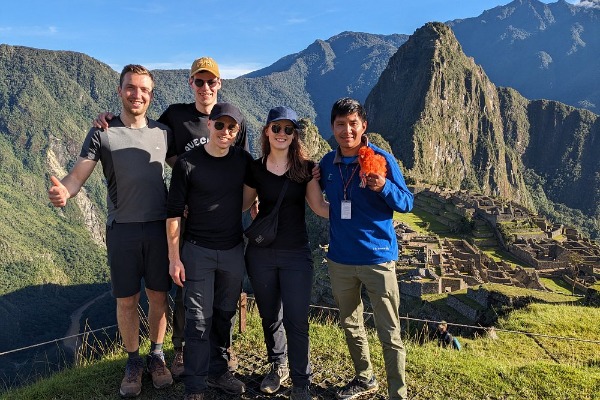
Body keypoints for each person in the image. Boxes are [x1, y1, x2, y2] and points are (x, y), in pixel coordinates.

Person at [94, 56, 245, 378]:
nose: (205, 87)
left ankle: (221, 347)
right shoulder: (176, 116)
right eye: (199, 81)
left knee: (223, 289)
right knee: (182, 282)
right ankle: (180, 350)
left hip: (222, 218)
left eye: (211, 81)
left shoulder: (232, 118)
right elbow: (141, 127)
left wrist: (253, 204)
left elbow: (243, 166)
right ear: (190, 83)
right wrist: (106, 119)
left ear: (220, 84)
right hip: (183, 213)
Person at [48, 64, 174, 398]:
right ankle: (133, 363)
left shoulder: (163, 132)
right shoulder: (101, 132)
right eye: (131, 87)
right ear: (120, 91)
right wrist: (65, 191)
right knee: (126, 300)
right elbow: (78, 176)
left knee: (159, 296)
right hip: (122, 230)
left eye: (144, 89)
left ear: (151, 94)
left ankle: (157, 355)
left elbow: (193, 169)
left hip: (160, 228)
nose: (137, 94)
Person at [318, 98, 414, 400]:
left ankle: (398, 393)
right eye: (340, 124)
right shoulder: (326, 164)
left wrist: (383, 186)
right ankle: (365, 377)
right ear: (332, 127)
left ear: (364, 126)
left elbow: (407, 203)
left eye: (352, 124)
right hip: (341, 259)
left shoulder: (381, 159)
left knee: (389, 331)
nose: (347, 130)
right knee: (351, 324)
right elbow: (311, 191)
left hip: (377, 258)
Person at [166, 103, 253, 400]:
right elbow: (174, 213)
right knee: (197, 319)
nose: (224, 132)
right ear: (209, 125)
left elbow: (268, 178)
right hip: (197, 251)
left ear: (237, 132)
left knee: (224, 314)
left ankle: (218, 371)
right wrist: (174, 257)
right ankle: (195, 386)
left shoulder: (243, 160)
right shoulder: (187, 163)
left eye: (231, 127)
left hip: (231, 250)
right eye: (220, 125)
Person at [244, 107, 329, 400]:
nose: (282, 134)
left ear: (294, 135)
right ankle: (277, 365)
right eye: (276, 128)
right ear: (267, 131)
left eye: (288, 129)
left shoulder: (305, 169)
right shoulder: (255, 168)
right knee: (270, 316)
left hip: (296, 254)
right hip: (261, 254)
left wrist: (361, 211)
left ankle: (301, 380)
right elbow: (240, 204)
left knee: (296, 318)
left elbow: (319, 207)